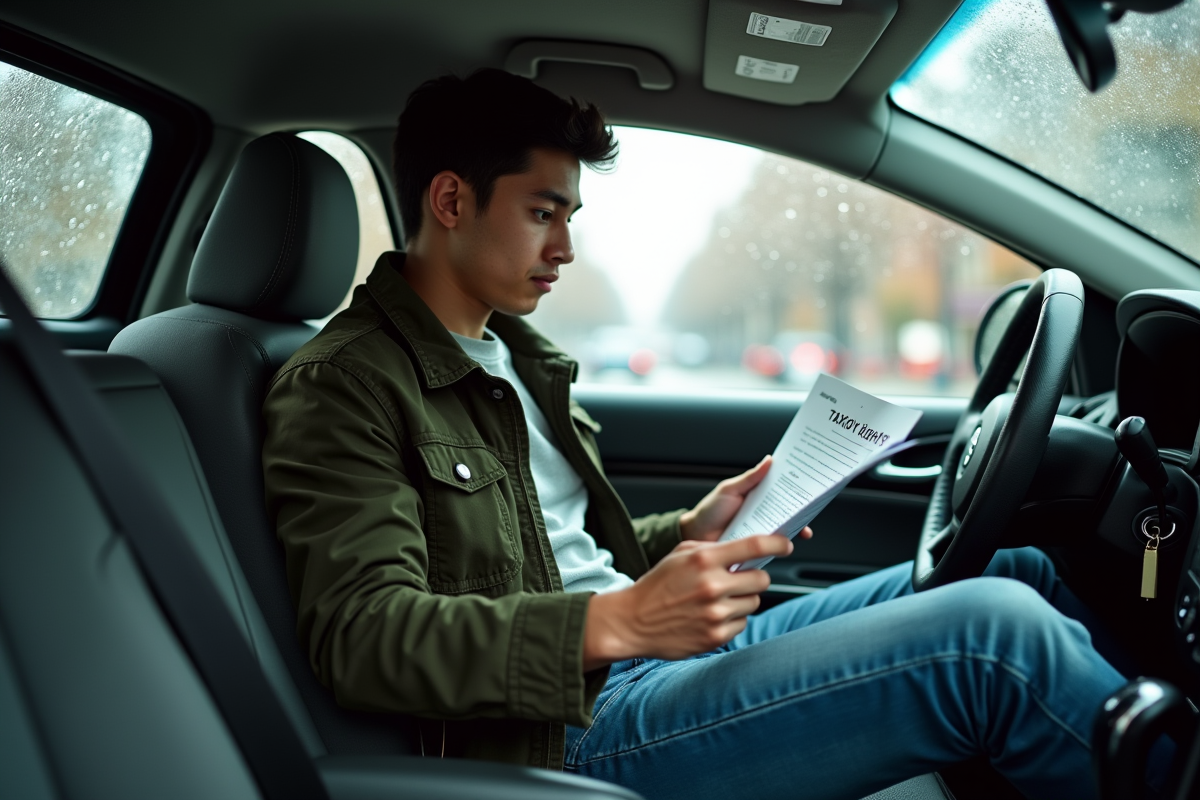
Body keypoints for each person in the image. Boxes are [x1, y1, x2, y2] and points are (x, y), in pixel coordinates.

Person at [262, 68, 1132, 800]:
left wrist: (686, 532)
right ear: (452, 200)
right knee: (993, 638)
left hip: (638, 660)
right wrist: (618, 622)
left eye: (569, 216)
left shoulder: (516, 356)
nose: (565, 247)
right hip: (560, 731)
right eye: (542, 212)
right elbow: (363, 636)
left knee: (1013, 571)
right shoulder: (343, 383)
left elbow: (549, 555)